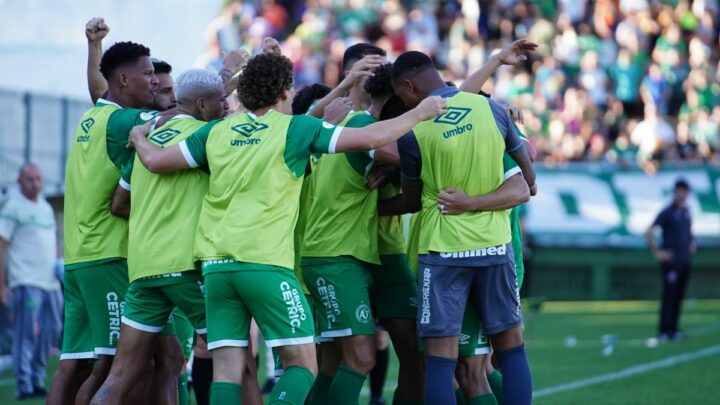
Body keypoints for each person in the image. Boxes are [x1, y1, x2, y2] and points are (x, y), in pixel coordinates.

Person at [127, 51, 447, 405]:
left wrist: (140, 136)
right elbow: (369, 139)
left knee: (227, 371)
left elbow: (155, 161)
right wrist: (420, 113)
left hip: (216, 267)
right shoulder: (295, 129)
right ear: (284, 90)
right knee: (303, 366)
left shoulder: (216, 132)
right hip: (264, 264)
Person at [387, 50, 535, 405]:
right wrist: (525, 180)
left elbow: (410, 199)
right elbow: (526, 175)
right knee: (511, 351)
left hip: (442, 251)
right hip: (495, 246)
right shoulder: (492, 110)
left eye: (402, 97)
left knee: (439, 363)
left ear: (408, 87)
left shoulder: (413, 130)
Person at [89, 68, 229, 405]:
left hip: (143, 268)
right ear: (203, 105)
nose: (226, 106)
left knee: (124, 375)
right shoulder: (209, 135)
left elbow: (119, 203)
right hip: (185, 266)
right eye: (221, 101)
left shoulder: (147, 141)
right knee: (236, 361)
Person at [47, 40, 169, 405]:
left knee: (75, 366)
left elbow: (99, 88)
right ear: (123, 78)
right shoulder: (122, 120)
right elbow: (179, 118)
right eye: (148, 74)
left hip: (78, 258)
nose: (155, 83)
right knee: (121, 366)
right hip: (108, 255)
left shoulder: (93, 116)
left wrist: (93, 46)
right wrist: (221, 86)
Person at [0, 164, 63, 400]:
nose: (35, 183)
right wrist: (2, 284)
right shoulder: (13, 207)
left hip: (51, 283)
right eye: (30, 179)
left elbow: (52, 240)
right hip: (26, 281)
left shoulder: (46, 207)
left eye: (38, 178)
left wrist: (59, 263)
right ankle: (24, 383)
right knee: (25, 334)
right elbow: (2, 245)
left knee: (51, 332)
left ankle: (37, 379)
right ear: (19, 181)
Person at [646, 179, 695, 341]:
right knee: (669, 296)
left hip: (684, 260)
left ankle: (673, 330)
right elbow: (650, 230)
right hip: (672, 262)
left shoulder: (687, 211)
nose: (683, 194)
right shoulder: (668, 212)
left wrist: (691, 243)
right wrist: (657, 252)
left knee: (679, 296)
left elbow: (688, 233)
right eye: (680, 191)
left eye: (685, 191)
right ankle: (664, 330)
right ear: (675, 192)